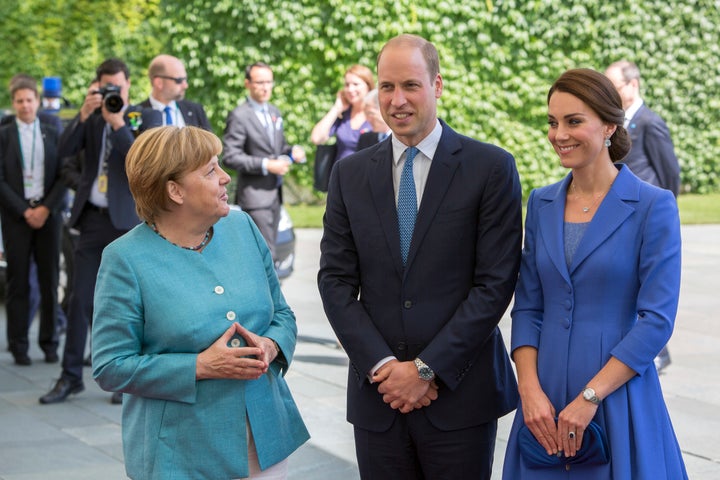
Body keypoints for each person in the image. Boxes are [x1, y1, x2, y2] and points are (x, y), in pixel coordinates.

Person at [317, 34, 522, 479]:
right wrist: (385, 367)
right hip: (379, 398)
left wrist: (427, 370)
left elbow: (495, 284)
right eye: (386, 87)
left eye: (411, 85)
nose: (397, 100)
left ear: (437, 85)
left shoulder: (490, 168)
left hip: (460, 399)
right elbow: (334, 280)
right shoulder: (349, 174)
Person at [92, 125, 309, 479]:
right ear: (174, 190)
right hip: (181, 453)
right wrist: (200, 366)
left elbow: (281, 314)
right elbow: (110, 365)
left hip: (267, 438)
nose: (225, 177)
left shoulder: (243, 226)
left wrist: (270, 346)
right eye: (210, 170)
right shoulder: (125, 259)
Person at [502, 68, 687, 479]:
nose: (558, 134)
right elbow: (528, 307)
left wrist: (590, 396)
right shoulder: (541, 203)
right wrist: (529, 392)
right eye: (552, 122)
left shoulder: (653, 206)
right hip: (543, 403)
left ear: (608, 125)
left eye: (573, 121)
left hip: (616, 398)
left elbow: (656, 319)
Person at [39, 58, 158, 404]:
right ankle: (70, 376)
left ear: (128, 85)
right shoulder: (90, 118)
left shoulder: (142, 116)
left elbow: (141, 159)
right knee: (80, 297)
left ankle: (125, 378)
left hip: (129, 222)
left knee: (129, 304)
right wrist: (82, 114)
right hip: (92, 219)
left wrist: (118, 123)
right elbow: (61, 153)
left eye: (118, 87)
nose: (113, 93)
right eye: (106, 88)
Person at [605, 60, 680, 372]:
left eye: (614, 86)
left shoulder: (650, 122)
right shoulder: (616, 122)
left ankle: (657, 352)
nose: (609, 93)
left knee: (647, 290)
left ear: (632, 86)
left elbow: (669, 173)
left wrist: (662, 214)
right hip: (618, 215)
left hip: (644, 216)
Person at [0, 75, 65, 365]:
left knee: (49, 279)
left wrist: (44, 209)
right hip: (16, 215)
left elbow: (65, 172)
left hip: (48, 213)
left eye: (29, 100)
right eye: (19, 101)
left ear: (37, 101)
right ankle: (18, 344)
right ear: (13, 104)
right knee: (18, 282)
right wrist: (24, 211)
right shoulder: (4, 133)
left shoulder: (53, 128)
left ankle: (50, 342)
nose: (25, 105)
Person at [223, 61, 305, 263]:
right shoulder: (239, 116)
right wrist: (266, 165)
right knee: (264, 254)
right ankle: (268, 294)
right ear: (247, 84)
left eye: (269, 81)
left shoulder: (274, 112)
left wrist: (291, 150)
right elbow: (230, 156)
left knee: (269, 252)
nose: (266, 87)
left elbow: (279, 147)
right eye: (260, 82)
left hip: (275, 195)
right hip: (255, 197)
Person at [310, 64, 374, 162]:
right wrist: (336, 108)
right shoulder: (343, 115)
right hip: (341, 175)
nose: (350, 89)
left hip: (368, 175)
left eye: (355, 84)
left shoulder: (377, 114)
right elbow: (316, 138)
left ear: (368, 87)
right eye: (347, 85)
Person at [138, 54, 212, 130]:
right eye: (179, 80)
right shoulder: (138, 115)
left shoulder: (195, 111)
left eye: (185, 79)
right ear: (159, 82)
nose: (185, 85)